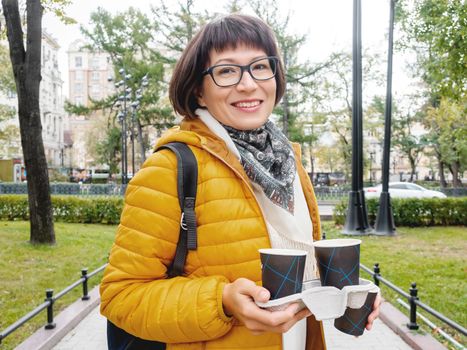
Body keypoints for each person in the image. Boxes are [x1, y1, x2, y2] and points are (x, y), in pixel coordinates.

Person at [100, 13, 380, 350]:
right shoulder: (170, 168)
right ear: (198, 92)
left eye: (261, 66)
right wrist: (222, 300)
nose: (248, 84)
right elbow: (121, 296)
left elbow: (293, 267)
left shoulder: (288, 164)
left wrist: (344, 293)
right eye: (227, 71)